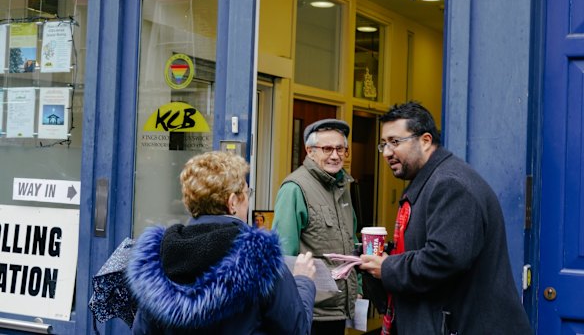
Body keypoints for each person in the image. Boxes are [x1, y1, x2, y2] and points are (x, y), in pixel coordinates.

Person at [359, 101, 532, 334]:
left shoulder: (450, 184)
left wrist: (388, 267)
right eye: (384, 144)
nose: (387, 152)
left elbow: (444, 259)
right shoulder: (432, 180)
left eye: (395, 142)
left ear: (426, 140)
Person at [127, 151, 317, 334]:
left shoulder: (157, 259)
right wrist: (304, 282)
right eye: (246, 193)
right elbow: (297, 329)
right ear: (232, 202)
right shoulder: (261, 259)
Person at [272, 118, 359, 335]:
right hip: (310, 310)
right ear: (310, 151)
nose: (335, 155)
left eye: (341, 149)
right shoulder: (294, 188)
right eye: (327, 149)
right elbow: (284, 256)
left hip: (338, 310)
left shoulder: (342, 186)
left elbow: (351, 243)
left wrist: (357, 288)